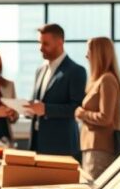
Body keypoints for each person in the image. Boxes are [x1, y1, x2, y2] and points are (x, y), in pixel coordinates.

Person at [25, 23, 87, 158]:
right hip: (37, 144)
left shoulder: (76, 71)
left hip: (62, 146)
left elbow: (77, 108)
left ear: (60, 42)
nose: (40, 48)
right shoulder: (40, 70)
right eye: (39, 43)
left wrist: (46, 109)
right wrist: (27, 109)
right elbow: (38, 104)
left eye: (45, 44)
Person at [75, 37, 120, 179]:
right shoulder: (100, 79)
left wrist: (82, 114)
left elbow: (105, 118)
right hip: (92, 146)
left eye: (89, 51)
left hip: (100, 148)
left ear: (99, 54)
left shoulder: (107, 80)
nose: (86, 55)